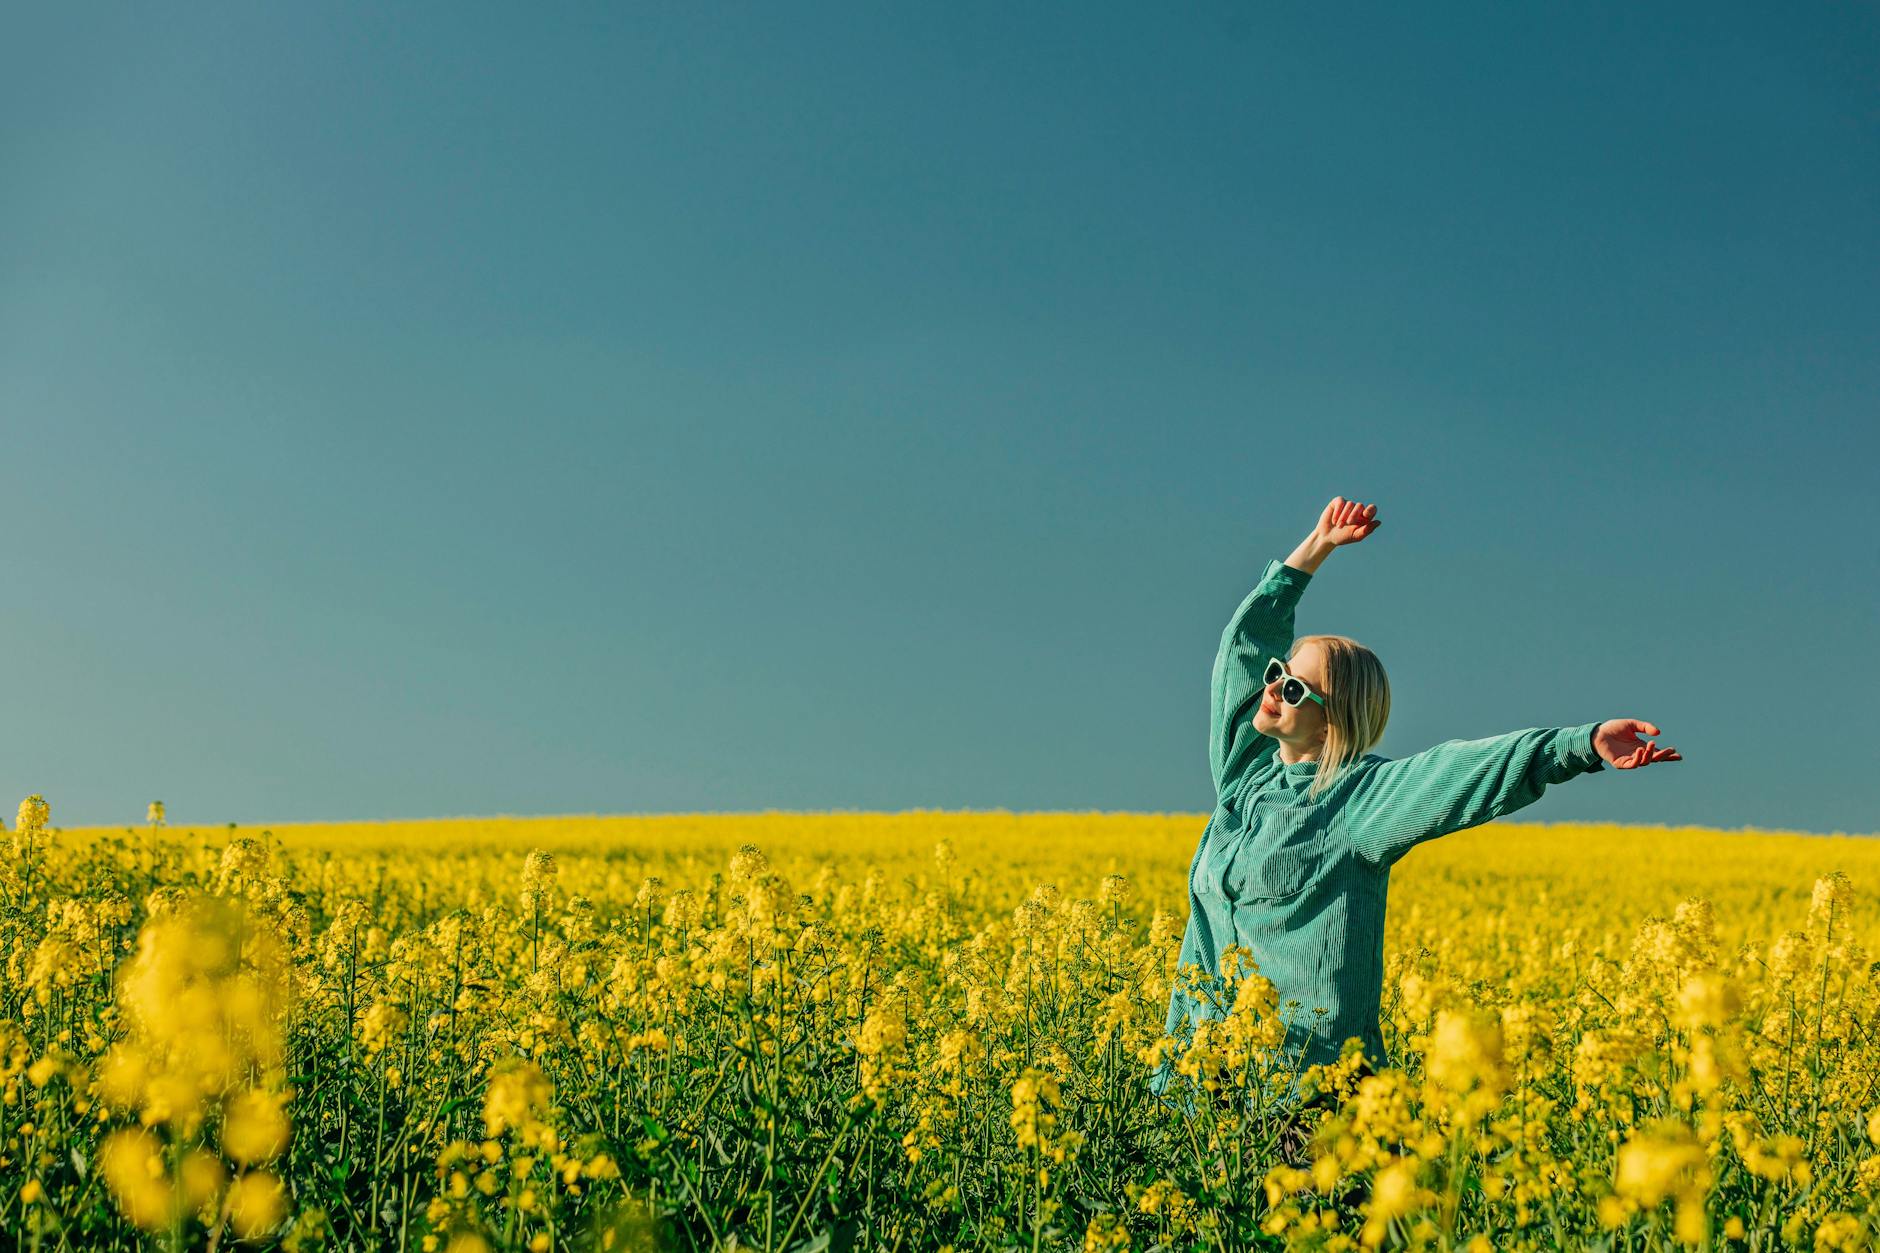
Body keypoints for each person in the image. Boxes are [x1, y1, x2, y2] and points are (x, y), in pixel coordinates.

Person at [1149, 496, 1681, 1123]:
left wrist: (1579, 745)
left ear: (1334, 719)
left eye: (1292, 688)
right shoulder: (1244, 778)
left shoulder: (1358, 800)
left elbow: (1460, 770)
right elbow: (1243, 646)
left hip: (1311, 1102)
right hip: (1202, 1091)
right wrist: (1315, 548)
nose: (1271, 688)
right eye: (1277, 674)